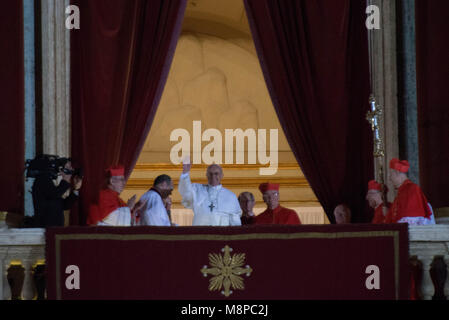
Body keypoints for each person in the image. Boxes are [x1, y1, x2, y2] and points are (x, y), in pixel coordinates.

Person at [178, 161, 241, 226]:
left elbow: (235, 221)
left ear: (222, 175)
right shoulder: (197, 189)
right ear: (206, 175)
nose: (213, 176)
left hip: (222, 233)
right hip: (200, 232)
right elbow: (185, 191)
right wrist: (185, 174)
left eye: (216, 174)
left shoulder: (231, 196)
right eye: (210, 174)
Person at [32, 161, 82, 227]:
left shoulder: (49, 183)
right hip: (46, 227)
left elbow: (64, 205)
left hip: (55, 228)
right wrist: (65, 180)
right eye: (67, 168)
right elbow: (54, 194)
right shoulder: (42, 179)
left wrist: (76, 189)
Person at [385, 158, 434, 225]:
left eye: (391, 174)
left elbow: (412, 218)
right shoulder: (400, 192)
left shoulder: (412, 189)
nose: (390, 178)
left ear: (397, 172)